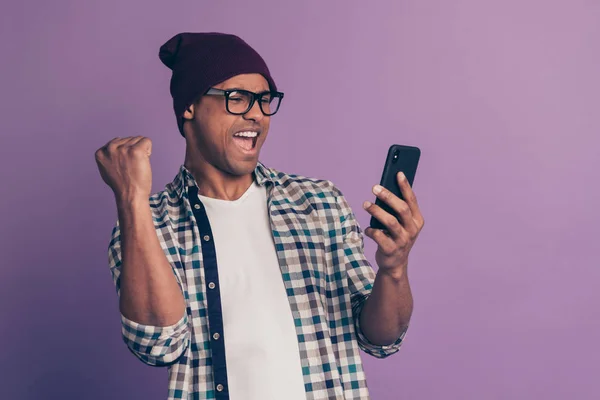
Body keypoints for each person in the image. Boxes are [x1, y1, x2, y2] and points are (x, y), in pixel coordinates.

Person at [94, 32, 424, 400]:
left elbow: (380, 336)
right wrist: (131, 199)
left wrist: (394, 268)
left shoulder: (319, 203)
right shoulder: (150, 223)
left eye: (265, 100)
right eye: (237, 98)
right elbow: (157, 344)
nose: (256, 113)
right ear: (189, 106)